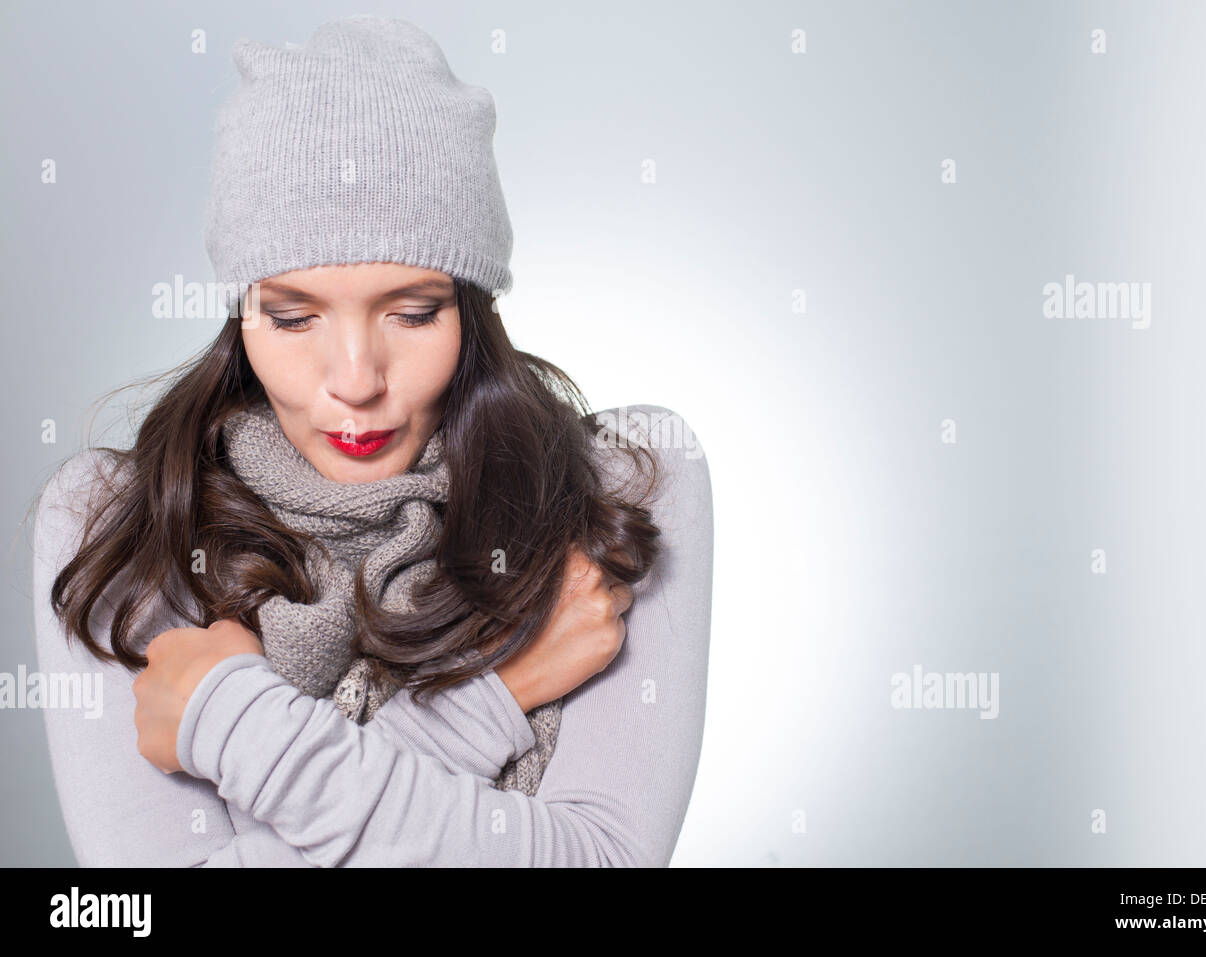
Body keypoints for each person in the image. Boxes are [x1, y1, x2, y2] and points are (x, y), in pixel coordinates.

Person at [30, 15, 713, 866]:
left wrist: (232, 722)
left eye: (413, 312)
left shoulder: (624, 484)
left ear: (472, 309)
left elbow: (602, 861)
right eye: (292, 316)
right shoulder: (117, 523)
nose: (355, 377)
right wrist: (495, 699)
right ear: (239, 315)